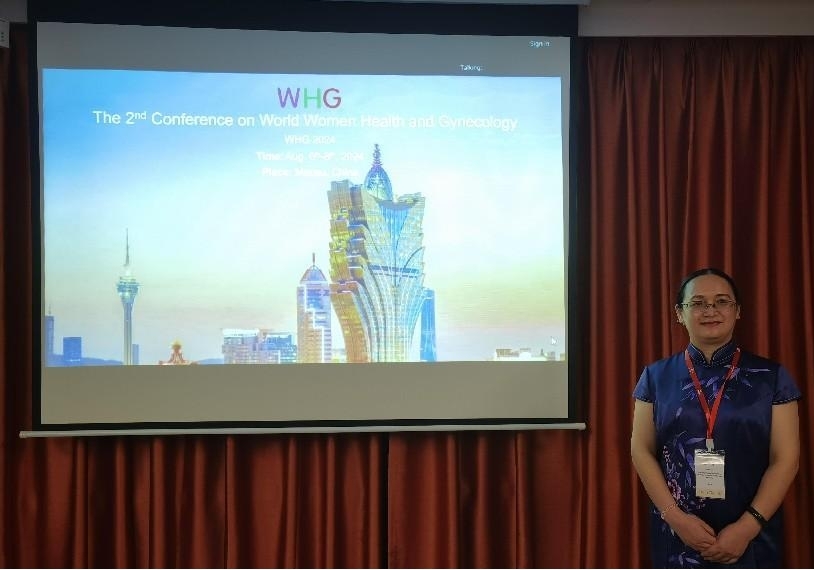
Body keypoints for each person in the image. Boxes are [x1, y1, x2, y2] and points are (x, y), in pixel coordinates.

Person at [630, 267, 801, 568]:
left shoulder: (771, 377)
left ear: (738, 311)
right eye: (697, 303)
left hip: (752, 532)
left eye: (722, 301)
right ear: (680, 314)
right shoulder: (655, 377)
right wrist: (676, 518)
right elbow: (641, 450)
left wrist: (747, 527)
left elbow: (786, 458)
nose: (710, 310)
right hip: (678, 534)